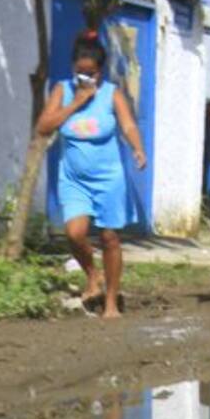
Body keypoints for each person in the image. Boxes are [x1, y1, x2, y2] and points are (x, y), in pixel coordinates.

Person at [36, 33, 146, 320]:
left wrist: (138, 149)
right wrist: (77, 102)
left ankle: (110, 302)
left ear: (101, 71)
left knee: (110, 237)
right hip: (73, 179)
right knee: (74, 233)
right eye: (80, 72)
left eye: (91, 73)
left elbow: (128, 125)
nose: (85, 78)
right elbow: (44, 126)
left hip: (108, 178)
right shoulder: (62, 91)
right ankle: (92, 274)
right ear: (73, 67)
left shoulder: (112, 94)